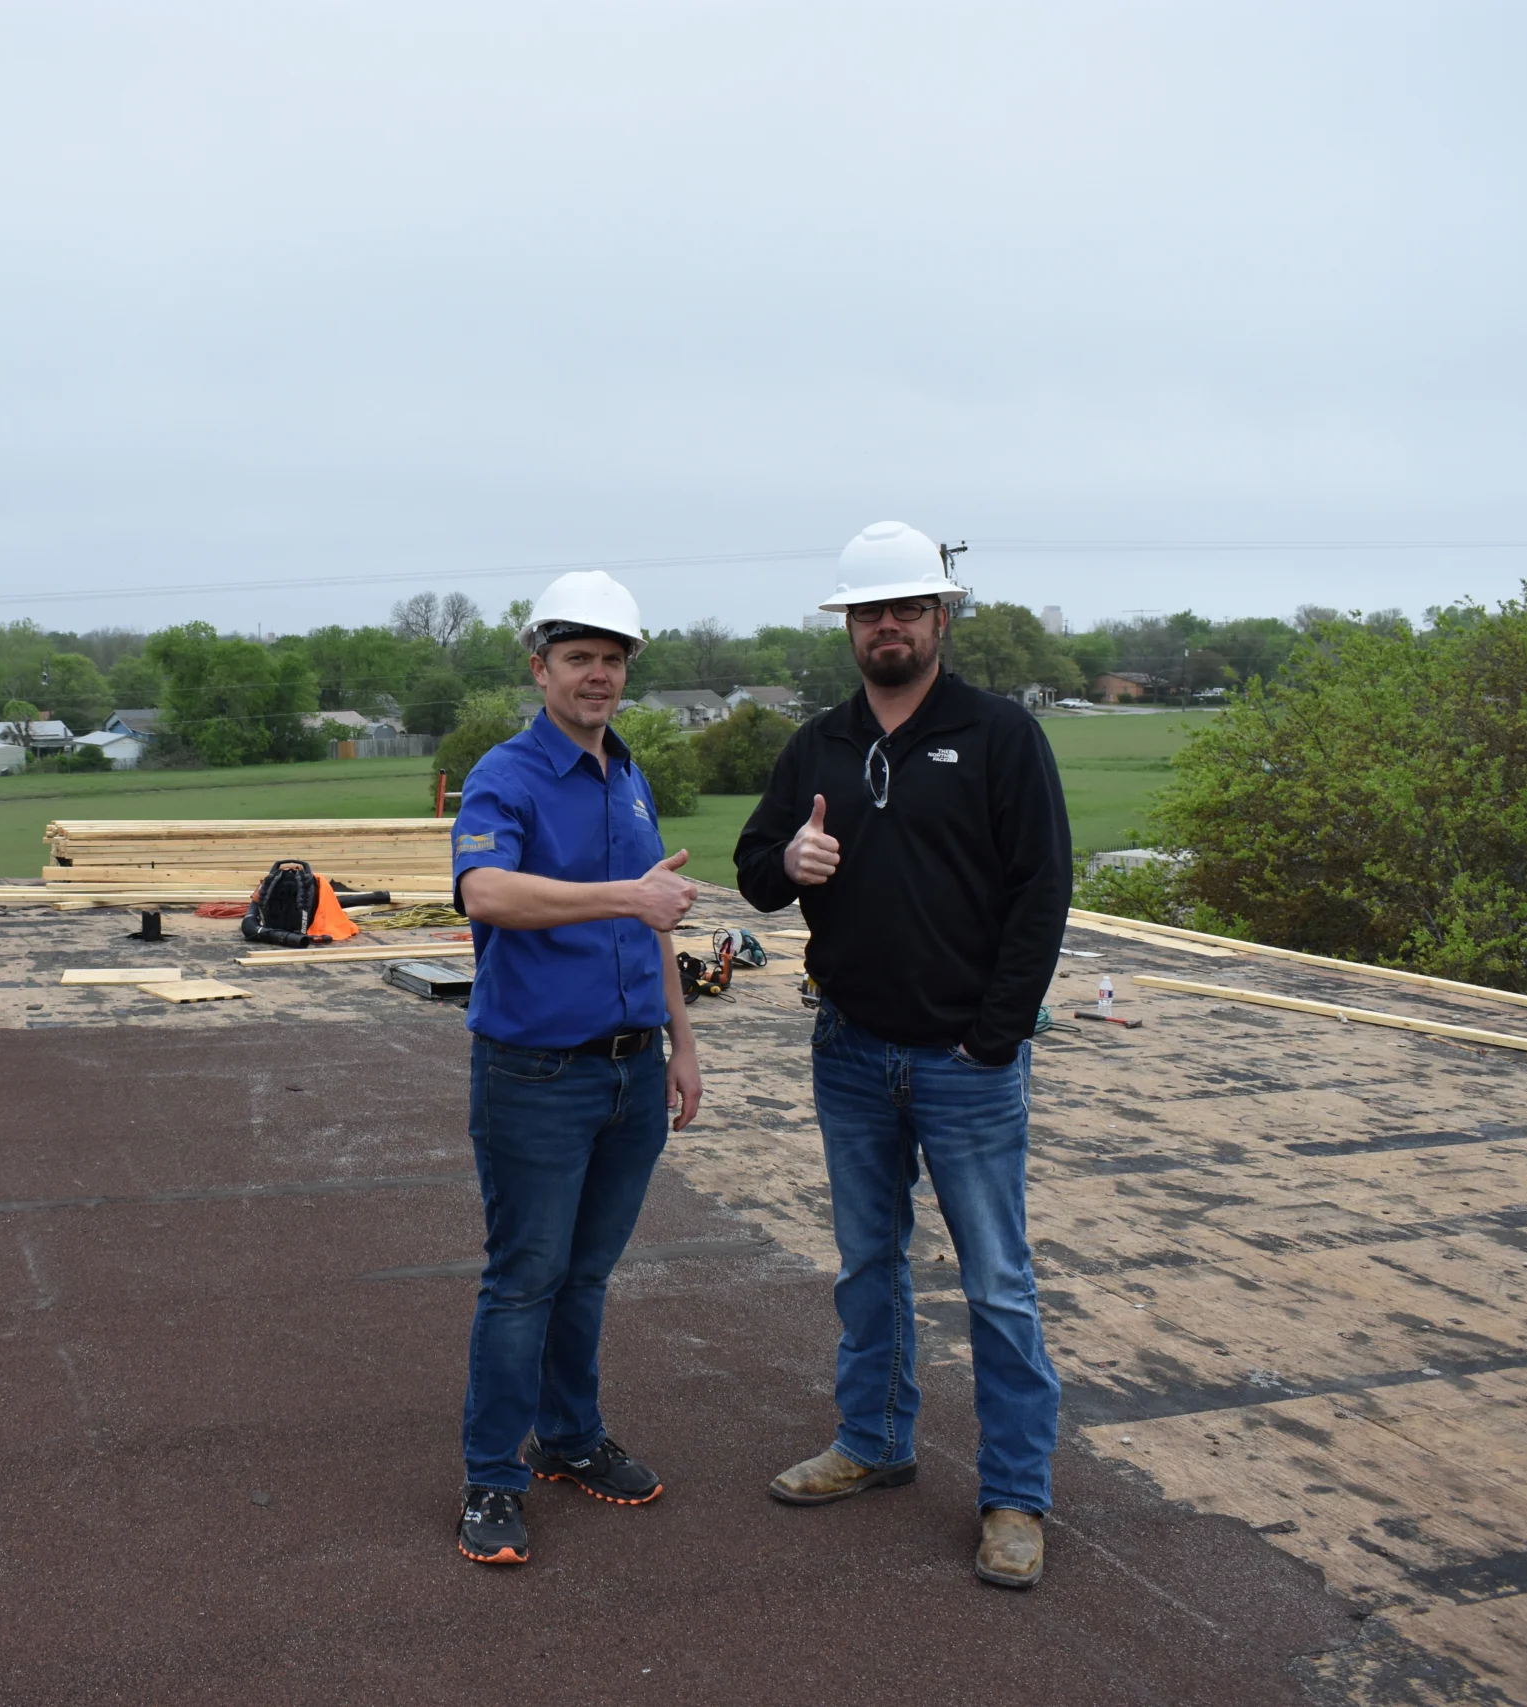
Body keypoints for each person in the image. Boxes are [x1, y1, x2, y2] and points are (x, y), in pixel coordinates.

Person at [732, 521, 1071, 1590]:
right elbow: (753, 871)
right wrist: (789, 858)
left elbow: (1042, 891)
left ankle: (1014, 1495)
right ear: (848, 625)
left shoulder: (999, 734)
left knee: (997, 1283)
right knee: (867, 1264)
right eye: (869, 611)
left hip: (966, 1062)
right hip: (851, 1048)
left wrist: (994, 1034)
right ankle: (873, 1442)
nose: (888, 626)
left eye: (906, 609)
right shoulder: (819, 745)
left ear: (939, 617)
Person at [446, 570, 705, 1567]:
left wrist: (682, 1042)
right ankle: (491, 1474)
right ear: (540, 668)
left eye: (612, 659)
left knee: (586, 1274)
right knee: (524, 1279)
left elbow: (654, 917)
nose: (598, 675)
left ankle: (568, 1436)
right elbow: (486, 893)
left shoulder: (628, 774)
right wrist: (624, 897)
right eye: (578, 658)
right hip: (536, 1075)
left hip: (632, 1071)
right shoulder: (506, 774)